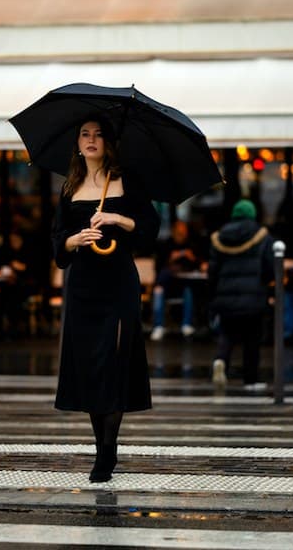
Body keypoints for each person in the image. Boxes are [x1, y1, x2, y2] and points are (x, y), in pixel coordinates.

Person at [52, 116, 160, 483]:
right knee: (91, 366)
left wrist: (117, 217)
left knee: (114, 363)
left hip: (118, 284)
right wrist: (73, 240)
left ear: (108, 142)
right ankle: (102, 445)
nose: (91, 139)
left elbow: (149, 229)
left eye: (98, 134)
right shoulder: (70, 187)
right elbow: (57, 246)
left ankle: (107, 452)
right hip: (83, 285)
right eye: (84, 133)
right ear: (78, 142)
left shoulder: (126, 180)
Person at [207, 199, 275, 389]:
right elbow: (270, 266)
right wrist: (268, 287)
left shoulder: (219, 237)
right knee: (252, 337)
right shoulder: (262, 236)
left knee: (227, 333)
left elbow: (212, 271)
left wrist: (213, 294)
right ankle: (250, 379)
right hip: (254, 295)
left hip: (225, 295)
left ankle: (221, 360)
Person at [149, 220, 204, 341]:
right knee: (158, 291)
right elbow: (159, 267)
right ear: (174, 232)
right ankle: (158, 326)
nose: (182, 235)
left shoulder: (191, 245)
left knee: (189, 291)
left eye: (184, 232)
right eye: (179, 232)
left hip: (183, 283)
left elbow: (199, 265)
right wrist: (172, 257)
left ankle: (187, 325)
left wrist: (193, 258)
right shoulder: (166, 245)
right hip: (165, 284)